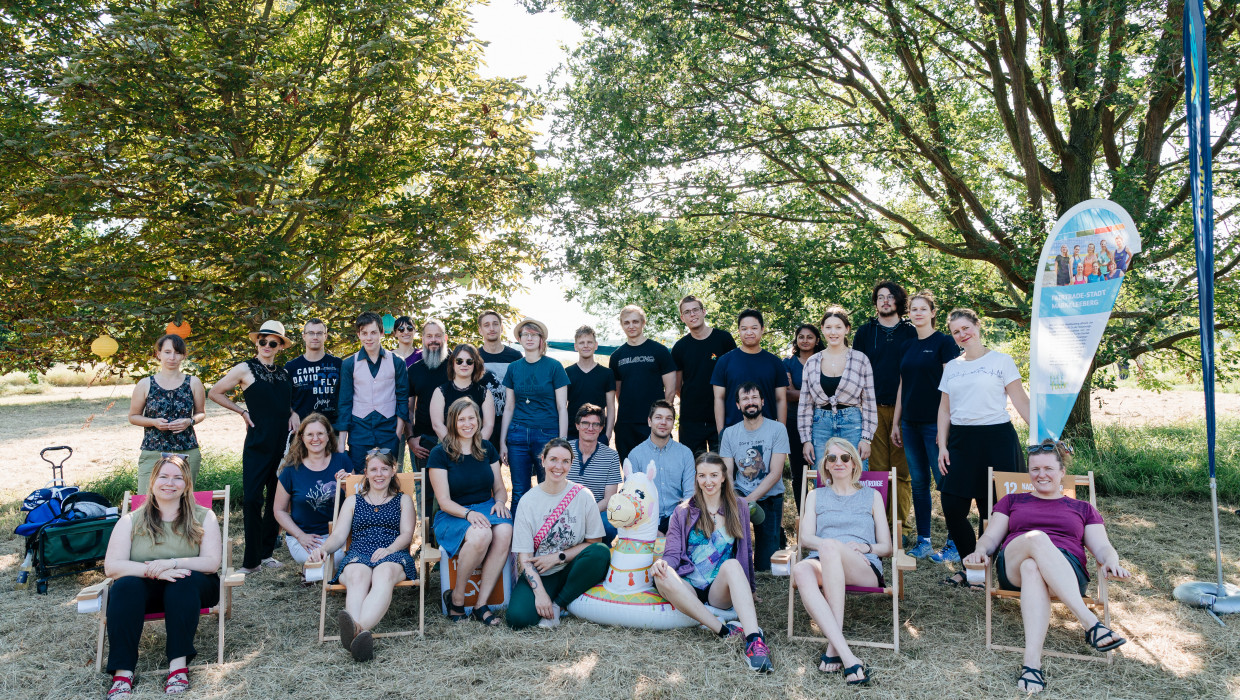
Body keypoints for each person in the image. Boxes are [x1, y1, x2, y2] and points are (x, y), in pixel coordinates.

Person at [962, 440, 1130, 693]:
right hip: (1013, 566)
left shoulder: (1082, 508)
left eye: (1049, 469)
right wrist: (979, 551)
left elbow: (1103, 547)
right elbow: (990, 538)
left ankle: (1031, 665)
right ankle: (1091, 624)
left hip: (1066, 572)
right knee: (1036, 539)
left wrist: (1112, 561)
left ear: (1062, 472)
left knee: (1033, 567)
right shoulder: (1011, 501)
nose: (1041, 475)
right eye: (1035, 469)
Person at [101, 453, 222, 698]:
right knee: (124, 587)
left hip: (195, 586)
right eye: (164, 476)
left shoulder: (203, 516)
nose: (170, 483)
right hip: (146, 588)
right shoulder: (130, 521)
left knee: (181, 582)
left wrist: (172, 563)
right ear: (152, 481)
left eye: (178, 478)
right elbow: (112, 567)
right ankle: (123, 673)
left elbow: (211, 562)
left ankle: (178, 668)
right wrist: (152, 570)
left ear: (187, 484)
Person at [652, 452, 771, 673]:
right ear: (696, 478)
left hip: (719, 591)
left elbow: (745, 551)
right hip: (689, 587)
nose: (708, 482)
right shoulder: (683, 511)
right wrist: (663, 564)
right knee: (662, 575)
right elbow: (672, 553)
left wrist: (750, 589)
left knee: (732, 565)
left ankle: (755, 641)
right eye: (702, 476)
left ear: (724, 477)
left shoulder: (739, 506)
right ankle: (724, 632)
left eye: (714, 475)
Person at [935, 308, 1030, 573]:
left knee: (993, 511)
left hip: (997, 439)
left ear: (978, 325)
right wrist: (942, 445)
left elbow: (1020, 400)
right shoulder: (952, 367)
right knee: (952, 507)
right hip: (961, 441)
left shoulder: (1001, 361)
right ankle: (970, 566)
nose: (962, 334)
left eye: (966, 328)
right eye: (956, 332)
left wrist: (1044, 433)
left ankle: (985, 566)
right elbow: (944, 409)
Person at [791, 438, 889, 687]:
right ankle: (844, 653)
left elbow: (886, 547)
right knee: (801, 569)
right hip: (824, 558)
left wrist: (864, 547)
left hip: (862, 565)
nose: (839, 462)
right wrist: (831, 547)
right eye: (832, 458)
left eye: (845, 457)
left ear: (854, 463)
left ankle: (838, 651)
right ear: (825, 464)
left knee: (829, 545)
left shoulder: (872, 495)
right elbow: (805, 538)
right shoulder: (815, 496)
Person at [306, 451, 417, 661]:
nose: (379, 474)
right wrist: (323, 549)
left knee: (383, 574)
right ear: (365, 473)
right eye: (374, 469)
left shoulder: (404, 500)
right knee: (357, 575)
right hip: (358, 553)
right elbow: (338, 535)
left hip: (393, 554)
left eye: (385, 469)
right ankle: (359, 638)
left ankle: (355, 630)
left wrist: (390, 549)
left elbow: (406, 535)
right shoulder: (353, 501)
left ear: (393, 471)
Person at [208, 320, 294, 574]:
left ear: (279, 346)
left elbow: (283, 404)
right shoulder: (246, 369)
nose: (267, 345)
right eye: (263, 341)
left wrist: (292, 413)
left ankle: (266, 553)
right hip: (258, 442)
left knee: (276, 500)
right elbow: (215, 392)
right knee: (252, 499)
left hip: (282, 443)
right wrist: (241, 412)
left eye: (273, 342)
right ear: (257, 342)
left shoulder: (284, 373)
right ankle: (251, 560)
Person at [508, 439, 610, 629]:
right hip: (541, 573)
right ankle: (558, 599)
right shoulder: (527, 501)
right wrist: (540, 594)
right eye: (553, 459)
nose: (558, 466)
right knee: (517, 619)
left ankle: (558, 605)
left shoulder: (584, 496)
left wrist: (558, 557)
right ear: (543, 461)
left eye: (565, 461)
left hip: (573, 569)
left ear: (571, 464)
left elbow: (594, 543)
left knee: (601, 552)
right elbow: (525, 558)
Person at [429, 397, 513, 626]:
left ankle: (480, 605)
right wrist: (468, 515)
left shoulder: (487, 448)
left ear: (478, 420)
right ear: (453, 422)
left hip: (487, 507)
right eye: (461, 419)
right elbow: (444, 501)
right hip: (453, 514)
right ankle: (456, 599)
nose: (467, 424)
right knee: (481, 534)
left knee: (505, 531)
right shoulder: (440, 453)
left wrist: (500, 502)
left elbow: (499, 488)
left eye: (471, 418)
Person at [890, 291, 961, 560]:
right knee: (919, 484)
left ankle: (955, 543)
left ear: (933, 313)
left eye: (923, 309)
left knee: (946, 483)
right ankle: (924, 541)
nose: (917, 313)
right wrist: (897, 422)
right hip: (909, 425)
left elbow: (952, 386)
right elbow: (901, 386)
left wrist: (947, 428)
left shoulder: (944, 343)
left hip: (936, 425)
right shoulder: (906, 346)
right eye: (913, 309)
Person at [853, 282, 917, 546]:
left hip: (906, 409)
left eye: (890, 297)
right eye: (880, 297)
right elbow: (854, 368)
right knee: (876, 472)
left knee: (902, 473)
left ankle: (900, 527)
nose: (885, 301)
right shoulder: (865, 332)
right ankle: (878, 526)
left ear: (899, 301)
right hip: (871, 409)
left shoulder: (911, 332)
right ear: (875, 303)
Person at [500, 318, 570, 514]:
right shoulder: (513, 368)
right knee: (520, 491)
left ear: (542, 339)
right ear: (519, 339)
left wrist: (562, 442)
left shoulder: (554, 366)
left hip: (547, 435)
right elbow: (509, 407)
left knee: (547, 488)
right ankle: (517, 541)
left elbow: (562, 407)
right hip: (518, 434)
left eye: (534, 334)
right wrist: (503, 442)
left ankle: (546, 539)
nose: (529, 338)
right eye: (525, 334)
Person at [719, 383, 789, 572]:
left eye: (754, 398)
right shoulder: (729, 433)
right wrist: (735, 500)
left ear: (762, 401)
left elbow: (775, 473)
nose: (750, 403)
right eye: (745, 399)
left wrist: (749, 501)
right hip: (740, 493)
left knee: (765, 567)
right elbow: (726, 473)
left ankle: (777, 539)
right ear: (738, 405)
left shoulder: (777, 429)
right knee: (733, 558)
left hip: (769, 497)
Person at [797, 307, 876, 468]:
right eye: (828, 327)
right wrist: (806, 440)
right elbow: (805, 405)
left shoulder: (861, 360)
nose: (833, 332)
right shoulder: (812, 363)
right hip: (820, 425)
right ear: (823, 330)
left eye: (838, 327)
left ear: (847, 329)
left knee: (856, 476)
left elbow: (869, 402)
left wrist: (866, 438)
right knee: (822, 477)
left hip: (852, 424)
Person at [334, 312, 409, 473]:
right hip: (359, 430)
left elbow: (402, 400)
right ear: (359, 334)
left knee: (388, 478)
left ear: (382, 333)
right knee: (360, 478)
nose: (369, 337)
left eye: (373, 332)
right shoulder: (349, 364)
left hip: (388, 430)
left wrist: (397, 434)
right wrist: (341, 442)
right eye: (364, 333)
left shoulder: (397, 362)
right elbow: (344, 403)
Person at [129, 333, 206, 488]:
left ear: (184, 356)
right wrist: (153, 422)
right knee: (146, 500)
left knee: (183, 501)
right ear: (158, 354)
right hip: (153, 450)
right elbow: (133, 416)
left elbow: (201, 413)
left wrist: (189, 421)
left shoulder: (194, 382)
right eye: (167, 352)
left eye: (177, 353)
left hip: (187, 450)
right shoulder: (145, 384)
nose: (172, 357)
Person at [274, 414, 351, 567]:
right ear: (302, 438)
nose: (315, 438)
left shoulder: (342, 461)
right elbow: (279, 511)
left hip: (338, 535)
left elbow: (360, 501)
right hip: (305, 538)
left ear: (328, 436)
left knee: (335, 560)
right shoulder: (291, 470)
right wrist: (300, 536)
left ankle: (312, 574)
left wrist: (347, 487)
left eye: (320, 433)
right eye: (310, 434)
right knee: (321, 561)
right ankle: (313, 571)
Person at [610, 305, 677, 461]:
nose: (631, 326)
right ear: (622, 325)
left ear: (643, 323)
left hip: (653, 423)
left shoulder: (659, 351)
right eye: (627, 323)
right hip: (626, 424)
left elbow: (671, 390)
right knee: (631, 474)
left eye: (635, 321)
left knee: (658, 471)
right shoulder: (616, 356)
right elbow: (618, 392)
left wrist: (662, 419)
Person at [672, 295, 737, 454]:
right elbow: (677, 386)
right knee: (693, 469)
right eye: (687, 312)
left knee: (724, 467)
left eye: (695, 310)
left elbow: (734, 376)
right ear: (682, 318)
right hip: (691, 420)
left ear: (704, 312)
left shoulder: (724, 339)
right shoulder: (680, 348)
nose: (692, 314)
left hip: (722, 417)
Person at [711, 309, 788, 434]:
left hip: (768, 432)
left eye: (754, 328)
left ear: (762, 329)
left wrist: (781, 432)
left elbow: (781, 399)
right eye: (744, 329)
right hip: (733, 431)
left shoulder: (775, 362)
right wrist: (721, 432)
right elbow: (719, 398)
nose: (749, 332)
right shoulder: (724, 362)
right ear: (739, 331)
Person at [626, 400, 696, 534]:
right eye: (658, 417)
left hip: (678, 518)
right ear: (649, 421)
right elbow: (632, 497)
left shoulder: (685, 453)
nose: (663, 422)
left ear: (673, 423)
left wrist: (677, 523)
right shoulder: (635, 455)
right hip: (645, 520)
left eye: (668, 418)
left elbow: (690, 494)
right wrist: (650, 527)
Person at [784, 324, 823, 512]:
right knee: (798, 473)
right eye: (801, 336)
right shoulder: (788, 362)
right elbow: (788, 394)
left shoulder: (825, 360)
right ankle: (803, 515)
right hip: (794, 421)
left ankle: (822, 513)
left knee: (822, 469)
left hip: (822, 420)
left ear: (817, 340)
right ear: (796, 340)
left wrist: (801, 392)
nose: (805, 340)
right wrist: (816, 393)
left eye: (810, 337)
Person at [429, 343, 496, 445]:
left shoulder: (485, 393)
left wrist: (474, 448)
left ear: (475, 364)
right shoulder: (440, 392)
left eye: (469, 361)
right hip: (449, 448)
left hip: (477, 450)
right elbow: (437, 424)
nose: (464, 364)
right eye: (459, 361)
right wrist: (456, 447)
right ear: (453, 363)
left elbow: (489, 425)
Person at [406, 319, 449, 470]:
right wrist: (410, 438)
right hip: (423, 441)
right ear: (423, 339)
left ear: (445, 338)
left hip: (454, 438)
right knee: (423, 490)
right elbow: (409, 410)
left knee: (455, 489)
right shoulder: (413, 370)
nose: (433, 340)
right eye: (429, 336)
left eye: (437, 336)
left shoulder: (456, 366)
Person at [285, 318, 342, 427]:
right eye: (311, 333)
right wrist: (291, 413)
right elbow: (283, 398)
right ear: (304, 336)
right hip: (301, 431)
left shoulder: (338, 364)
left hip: (331, 431)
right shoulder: (291, 367)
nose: (315, 337)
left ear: (325, 336)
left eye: (319, 333)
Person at [565, 325, 616, 442]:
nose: (586, 345)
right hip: (572, 434)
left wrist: (608, 434)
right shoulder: (567, 372)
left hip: (598, 433)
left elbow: (611, 407)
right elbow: (562, 406)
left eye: (589, 342)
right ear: (575, 346)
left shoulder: (607, 373)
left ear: (596, 345)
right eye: (581, 343)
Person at [477, 309, 522, 434]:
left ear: (501, 328)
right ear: (480, 330)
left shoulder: (515, 356)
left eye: (495, 324)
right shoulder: (474, 357)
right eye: (486, 325)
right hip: (482, 424)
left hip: (512, 423)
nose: (492, 328)